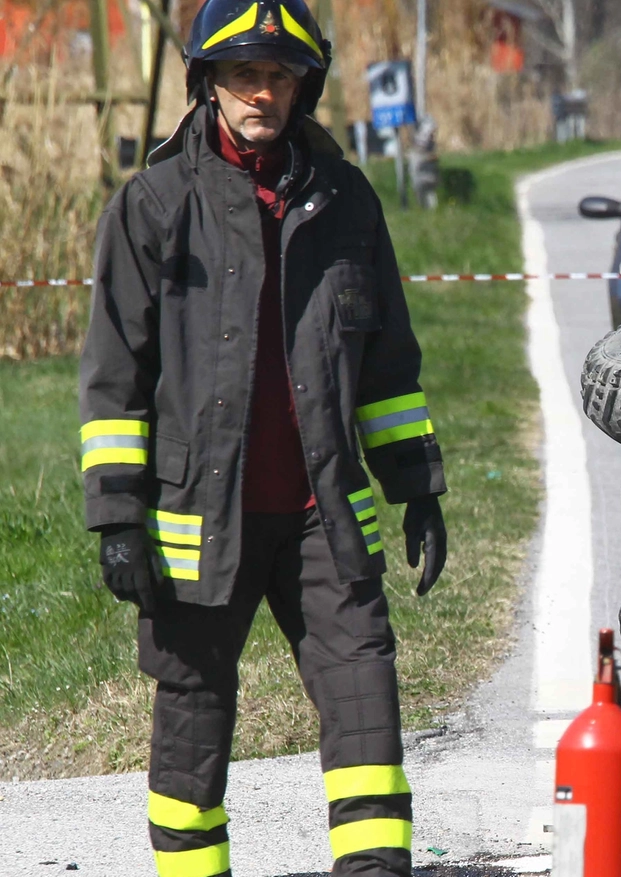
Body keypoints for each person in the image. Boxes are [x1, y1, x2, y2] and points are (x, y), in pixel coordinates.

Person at [79, 1, 446, 874]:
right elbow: (112, 376)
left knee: (367, 707)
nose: (261, 93)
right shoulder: (154, 205)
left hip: (326, 516)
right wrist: (118, 520)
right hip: (200, 519)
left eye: (279, 76)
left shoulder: (346, 201)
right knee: (192, 726)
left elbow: (389, 363)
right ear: (208, 83)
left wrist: (418, 487)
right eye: (244, 75)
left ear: (303, 86)